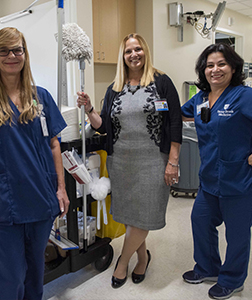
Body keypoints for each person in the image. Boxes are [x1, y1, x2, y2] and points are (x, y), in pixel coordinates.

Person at [0, 27, 69, 300]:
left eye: (17, 49)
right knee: (10, 277)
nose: (11, 56)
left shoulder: (40, 96)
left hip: (40, 200)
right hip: (1, 206)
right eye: (3, 50)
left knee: (34, 273)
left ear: (25, 54)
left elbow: (55, 145)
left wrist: (61, 188)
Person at [181, 43, 252, 300]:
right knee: (201, 221)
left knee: (237, 234)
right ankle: (207, 268)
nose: (215, 70)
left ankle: (232, 279)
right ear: (203, 70)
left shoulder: (242, 95)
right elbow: (176, 114)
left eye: (221, 64)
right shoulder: (199, 98)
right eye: (209, 65)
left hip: (240, 181)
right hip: (209, 180)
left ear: (233, 68)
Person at [77, 33, 182, 288]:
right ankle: (143, 257)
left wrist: (173, 161)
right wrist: (90, 109)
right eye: (128, 51)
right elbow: (103, 126)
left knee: (144, 215)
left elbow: (174, 122)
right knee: (130, 216)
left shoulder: (161, 83)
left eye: (138, 49)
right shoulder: (115, 89)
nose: (134, 54)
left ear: (145, 51)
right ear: (122, 57)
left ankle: (123, 262)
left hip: (153, 161)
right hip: (121, 161)